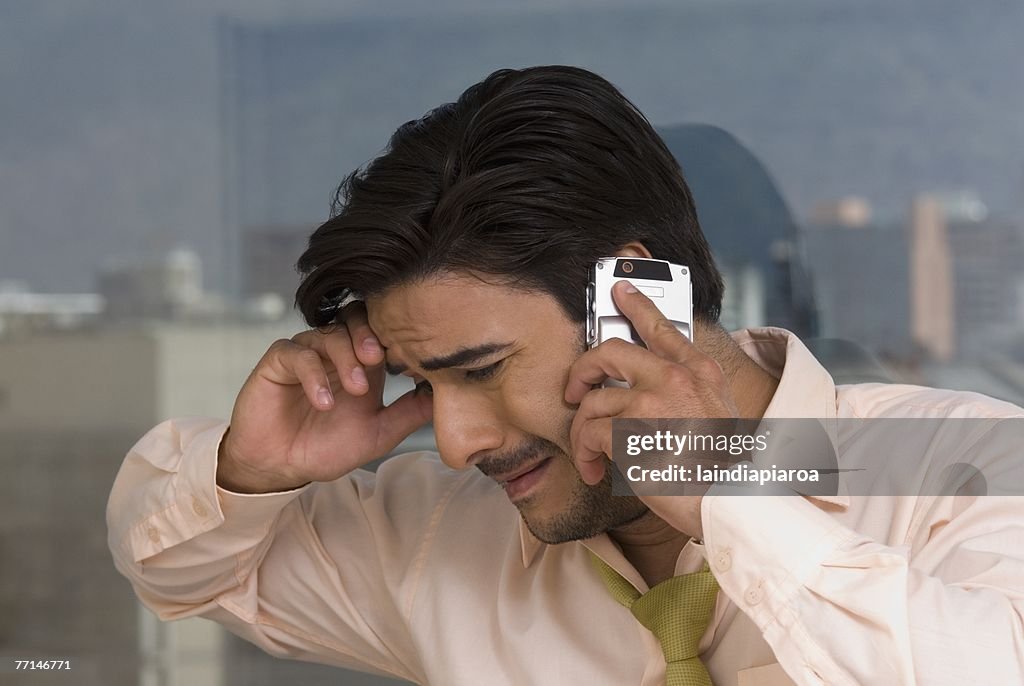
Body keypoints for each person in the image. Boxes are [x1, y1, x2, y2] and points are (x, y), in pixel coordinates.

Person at [107, 66, 1024, 685]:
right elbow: (179, 572)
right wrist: (250, 473)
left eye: (483, 370)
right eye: (425, 384)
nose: (456, 442)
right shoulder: (438, 540)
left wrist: (731, 504)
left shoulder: (967, 462)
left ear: (634, 301)